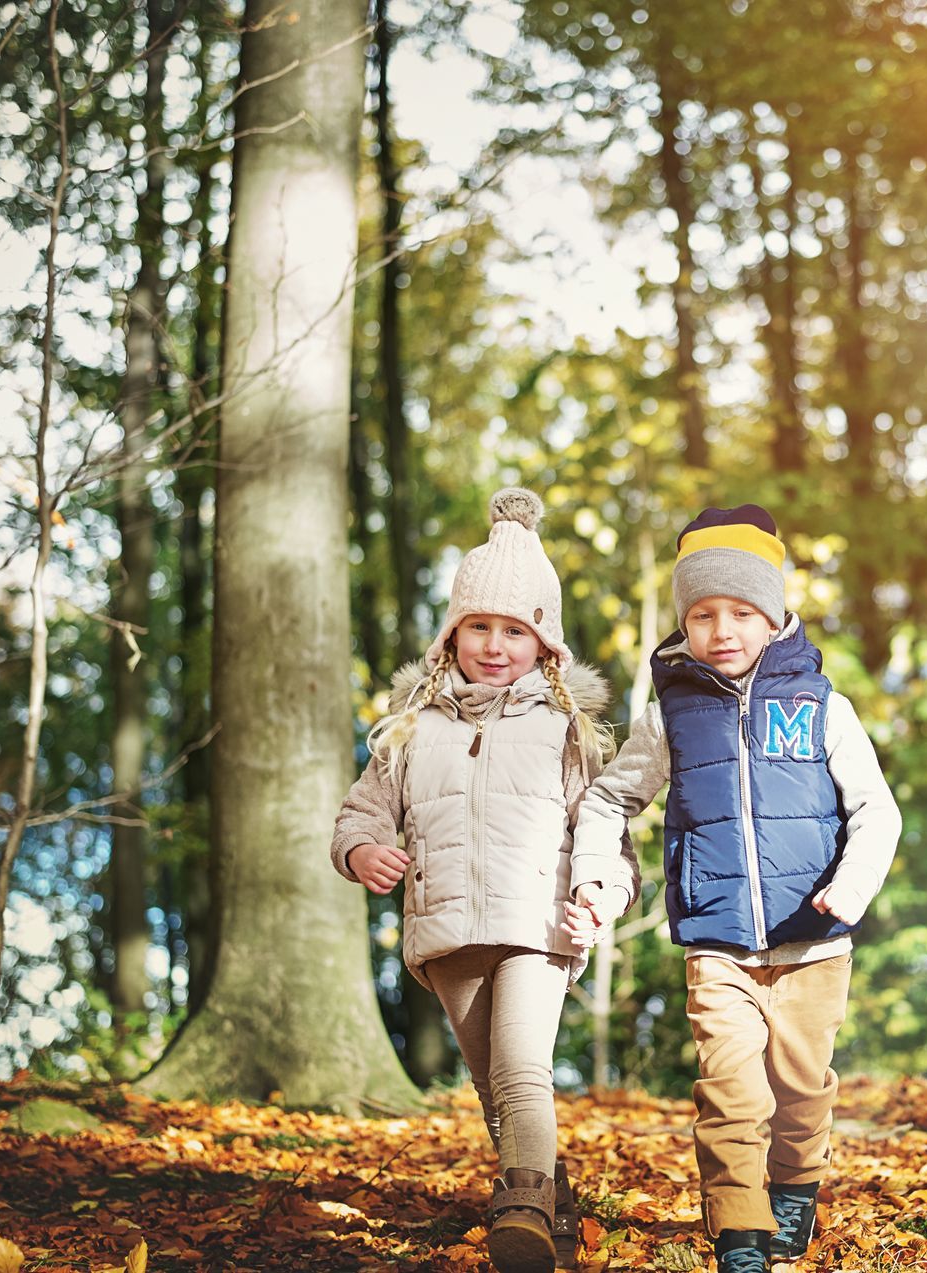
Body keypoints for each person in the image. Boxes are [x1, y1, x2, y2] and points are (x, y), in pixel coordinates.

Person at [565, 504, 902, 1273]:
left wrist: (851, 887)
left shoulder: (823, 708)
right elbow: (609, 799)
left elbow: (876, 811)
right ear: (684, 623)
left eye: (742, 611)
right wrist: (596, 879)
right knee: (729, 1091)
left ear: (774, 615)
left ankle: (794, 1188)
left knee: (801, 1086)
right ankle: (740, 1233)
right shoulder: (669, 719)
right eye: (704, 613)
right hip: (717, 943)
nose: (723, 629)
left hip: (814, 939)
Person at [331, 487, 630, 1273]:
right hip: (448, 931)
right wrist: (365, 855)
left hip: (537, 924)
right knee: (493, 1084)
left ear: (544, 644)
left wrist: (596, 895)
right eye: (479, 627)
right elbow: (358, 817)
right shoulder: (411, 730)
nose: (495, 645)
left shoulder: (563, 731)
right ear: (452, 634)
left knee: (525, 1068)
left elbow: (603, 827)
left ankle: (522, 1205)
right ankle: (551, 1212)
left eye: (514, 630)